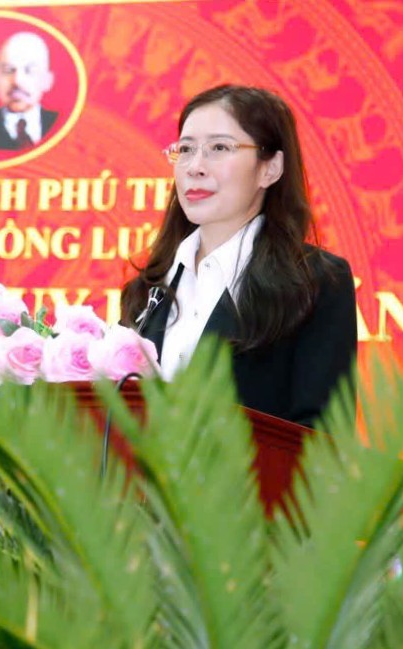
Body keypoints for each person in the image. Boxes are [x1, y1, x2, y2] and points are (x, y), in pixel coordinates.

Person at [120, 84, 357, 428]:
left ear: (270, 168)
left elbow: (321, 437)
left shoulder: (315, 284)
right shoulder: (149, 286)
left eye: (219, 148)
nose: (195, 167)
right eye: (185, 149)